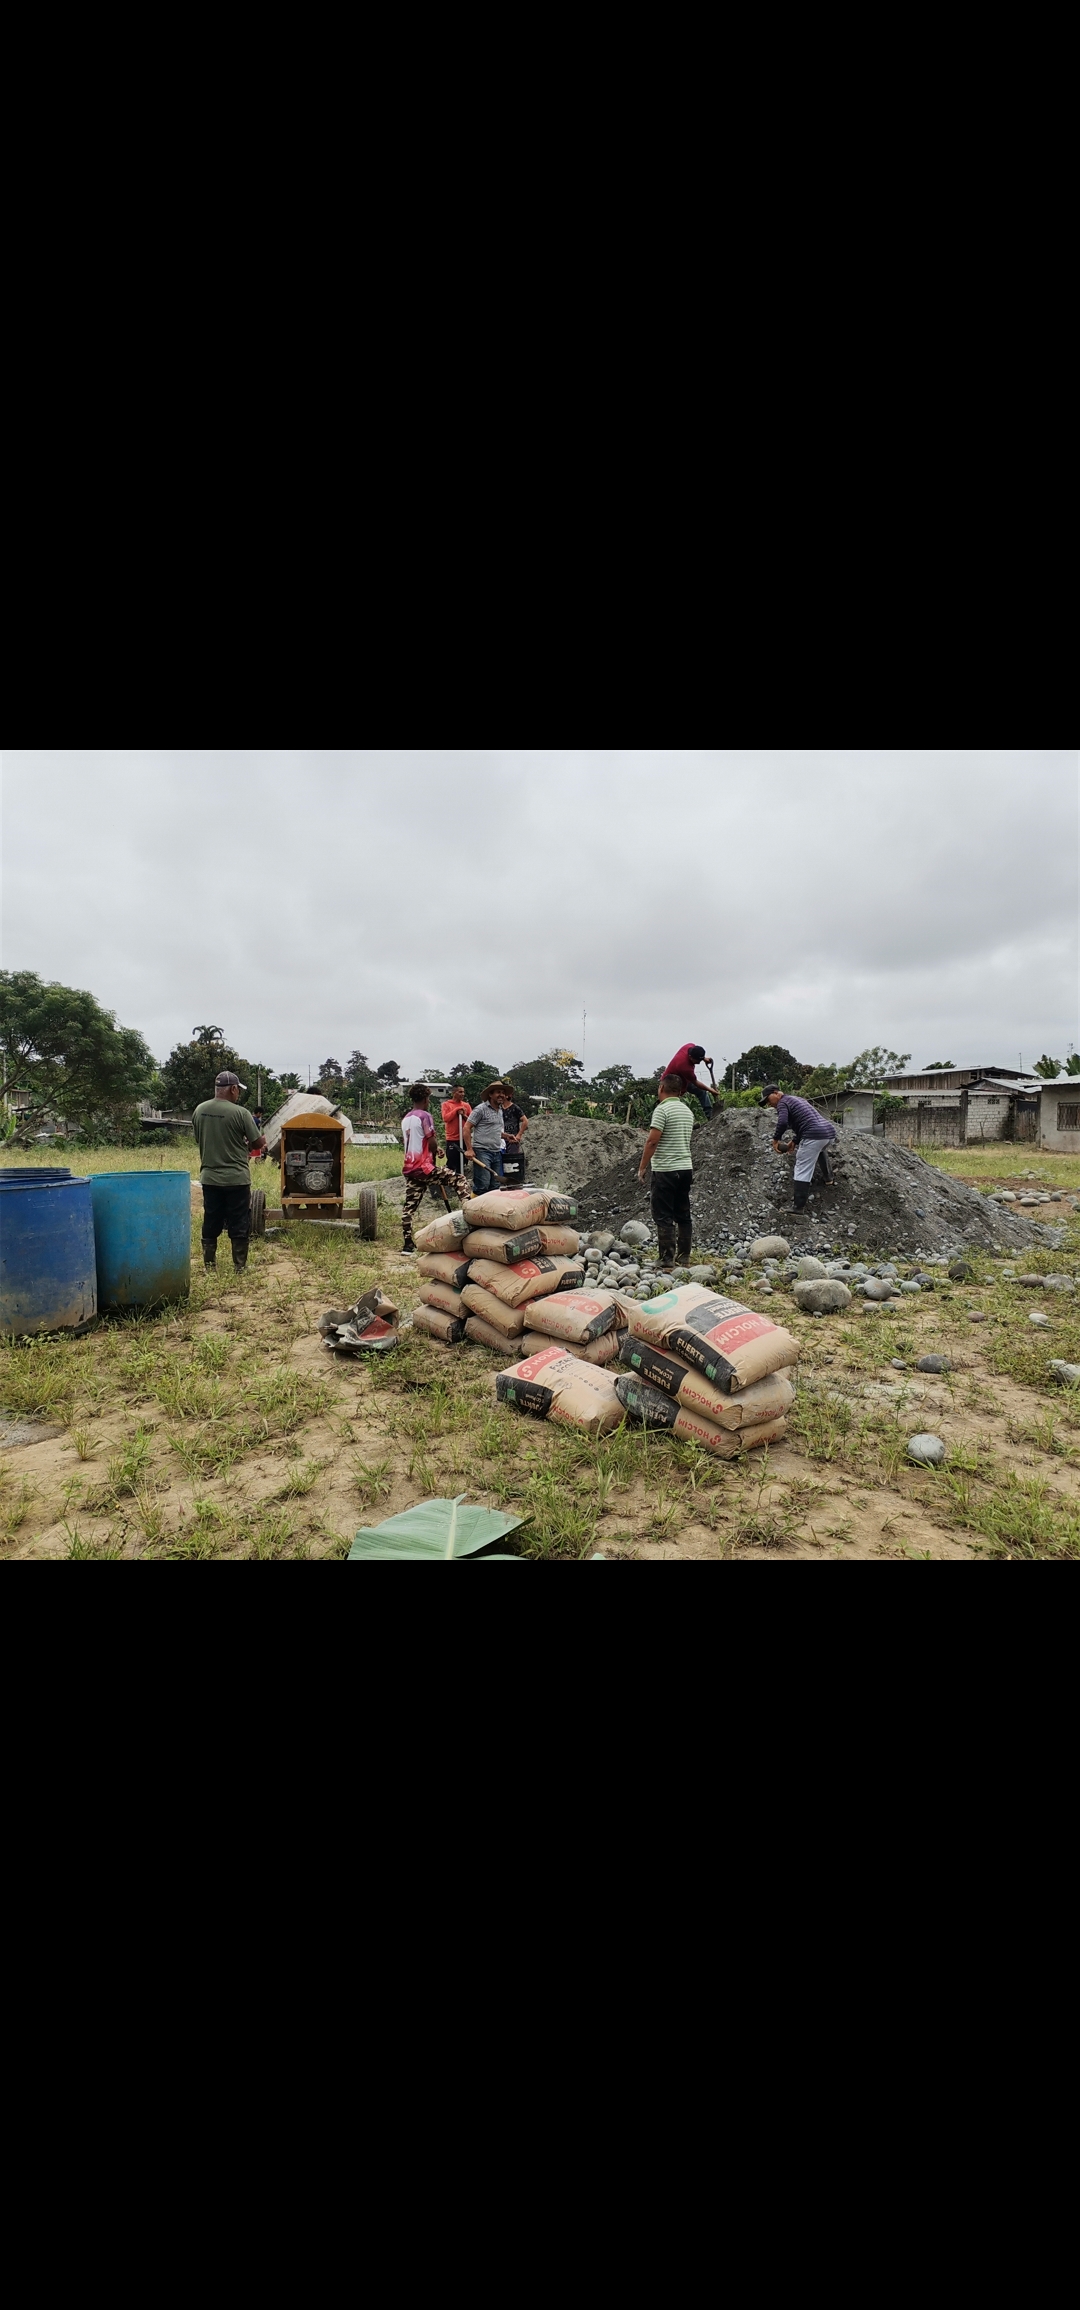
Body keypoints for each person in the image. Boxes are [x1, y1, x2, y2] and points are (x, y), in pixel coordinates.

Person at [192, 1070, 266, 1271]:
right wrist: (260, 1140)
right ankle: (239, 1266)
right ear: (233, 1089)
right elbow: (257, 1143)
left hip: (210, 1178)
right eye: (238, 1090)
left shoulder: (199, 1110)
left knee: (211, 1218)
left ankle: (209, 1266)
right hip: (237, 1178)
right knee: (239, 1220)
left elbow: (199, 1139)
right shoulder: (241, 1113)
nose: (238, 1094)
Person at [637, 1073, 696, 1266]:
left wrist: (642, 1167)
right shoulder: (687, 1111)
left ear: (661, 1088)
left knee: (663, 1214)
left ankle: (666, 1259)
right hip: (685, 1168)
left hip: (666, 1169)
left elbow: (652, 1141)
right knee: (683, 1212)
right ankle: (684, 1256)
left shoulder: (662, 1110)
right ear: (679, 1091)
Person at [400, 1084, 465, 1253]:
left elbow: (418, 1141)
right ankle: (470, 1215)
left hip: (410, 1167)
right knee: (459, 1179)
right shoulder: (425, 1116)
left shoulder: (406, 1118)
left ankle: (407, 1244)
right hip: (425, 1167)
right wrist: (436, 1150)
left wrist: (435, 1150)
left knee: (410, 1206)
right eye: (428, 1098)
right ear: (425, 1099)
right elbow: (431, 1141)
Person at [762, 1084, 837, 1211]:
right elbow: (806, 1122)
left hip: (814, 1135)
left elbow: (782, 1122)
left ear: (776, 1093)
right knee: (819, 1150)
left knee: (802, 1168)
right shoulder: (798, 1099)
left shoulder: (782, 1103)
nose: (768, 1104)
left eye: (768, 1099)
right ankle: (828, 1178)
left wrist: (775, 1140)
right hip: (828, 1133)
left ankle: (798, 1208)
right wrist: (794, 1141)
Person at [463, 1083, 507, 1194]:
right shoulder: (481, 1109)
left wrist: (507, 1136)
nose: (501, 1095)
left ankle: (491, 1205)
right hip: (482, 1151)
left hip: (496, 1151)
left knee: (495, 1185)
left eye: (503, 1093)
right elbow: (467, 1128)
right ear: (490, 1095)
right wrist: (469, 1149)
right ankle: (474, 1203)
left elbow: (493, 1130)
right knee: (483, 1184)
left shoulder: (500, 1110)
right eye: (498, 1092)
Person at [664, 1043, 715, 1117]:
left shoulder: (690, 1046)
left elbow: (696, 1051)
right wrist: (711, 1090)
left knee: (701, 1092)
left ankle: (710, 1116)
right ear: (690, 1057)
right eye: (697, 1061)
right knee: (672, 1102)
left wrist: (704, 1058)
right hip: (671, 1082)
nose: (699, 1063)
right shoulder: (685, 1067)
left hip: (685, 1079)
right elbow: (696, 1083)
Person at [441, 1086, 472, 1186]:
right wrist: (456, 1110)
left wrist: (463, 1115)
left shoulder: (466, 1105)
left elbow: (472, 1121)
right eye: (460, 1092)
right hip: (452, 1139)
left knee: (462, 1162)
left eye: (463, 1092)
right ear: (453, 1093)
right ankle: (448, 1183)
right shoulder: (446, 1104)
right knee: (452, 1161)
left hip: (464, 1138)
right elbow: (446, 1118)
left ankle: (461, 1184)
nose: (462, 1094)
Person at [500, 1086, 529, 1183]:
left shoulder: (515, 1108)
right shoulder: (499, 1108)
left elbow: (525, 1121)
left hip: (512, 1139)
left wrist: (519, 1135)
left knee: (512, 1162)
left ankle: (513, 1181)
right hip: (500, 1139)